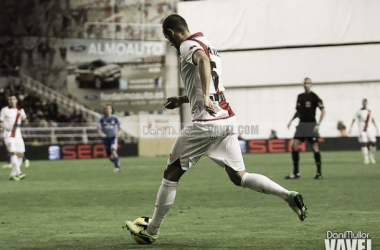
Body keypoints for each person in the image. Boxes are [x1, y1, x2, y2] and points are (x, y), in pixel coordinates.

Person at [123, 14, 307, 243]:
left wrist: (202, 96)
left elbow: (202, 61)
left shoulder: (188, 46)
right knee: (239, 176)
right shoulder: (208, 44)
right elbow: (209, 77)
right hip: (227, 120)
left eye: (168, 39)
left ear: (171, 33)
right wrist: (184, 98)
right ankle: (287, 195)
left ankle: (151, 231)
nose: (170, 44)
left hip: (205, 124)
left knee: (170, 175)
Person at [285, 78, 325, 180]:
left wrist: (318, 124)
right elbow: (298, 111)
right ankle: (296, 173)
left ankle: (319, 173)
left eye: (308, 83)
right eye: (305, 83)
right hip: (301, 125)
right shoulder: (300, 97)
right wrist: (291, 120)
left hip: (311, 124)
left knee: (315, 147)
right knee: (294, 145)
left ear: (311, 84)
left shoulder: (314, 97)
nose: (306, 84)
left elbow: (323, 110)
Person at [0, 95, 28, 181]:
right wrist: (5, 128)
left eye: (13, 99)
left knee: (21, 154)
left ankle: (13, 174)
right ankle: (19, 173)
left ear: (16, 100)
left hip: (18, 135)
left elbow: (26, 120)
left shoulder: (20, 110)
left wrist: (25, 120)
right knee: (13, 152)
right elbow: (0, 122)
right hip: (8, 135)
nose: (11, 101)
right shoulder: (4, 110)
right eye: (9, 99)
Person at [348, 98, 378, 164]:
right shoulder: (358, 111)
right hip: (362, 129)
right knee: (364, 143)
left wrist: (376, 127)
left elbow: (372, 119)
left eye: (365, 102)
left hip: (369, 129)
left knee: (374, 142)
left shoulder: (369, 111)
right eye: (363, 102)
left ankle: (371, 156)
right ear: (362, 103)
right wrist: (350, 128)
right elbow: (354, 119)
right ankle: (366, 158)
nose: (364, 104)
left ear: (367, 103)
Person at [97, 104, 122, 172]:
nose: (108, 110)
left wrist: (119, 133)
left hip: (113, 137)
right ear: (104, 110)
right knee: (110, 156)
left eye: (109, 109)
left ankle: (117, 168)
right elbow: (98, 128)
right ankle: (117, 162)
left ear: (112, 110)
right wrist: (101, 133)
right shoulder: (101, 118)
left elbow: (120, 126)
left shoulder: (115, 118)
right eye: (106, 109)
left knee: (113, 151)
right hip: (106, 139)